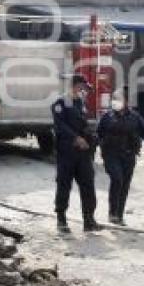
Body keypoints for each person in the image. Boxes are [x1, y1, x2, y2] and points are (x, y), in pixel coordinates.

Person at [52, 74, 102, 233]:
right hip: (67, 152)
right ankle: (61, 220)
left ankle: (89, 220)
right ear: (74, 86)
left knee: (88, 185)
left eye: (85, 89)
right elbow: (60, 126)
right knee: (64, 185)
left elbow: (82, 124)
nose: (84, 91)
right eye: (82, 87)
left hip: (83, 153)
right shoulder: (60, 103)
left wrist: (91, 137)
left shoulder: (80, 103)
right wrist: (76, 138)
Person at [97, 88, 144, 226]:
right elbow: (98, 133)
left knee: (125, 184)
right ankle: (112, 212)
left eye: (119, 99)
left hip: (129, 154)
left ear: (126, 101)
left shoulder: (135, 116)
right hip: (111, 154)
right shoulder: (107, 116)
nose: (116, 102)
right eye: (114, 99)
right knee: (117, 179)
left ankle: (119, 215)